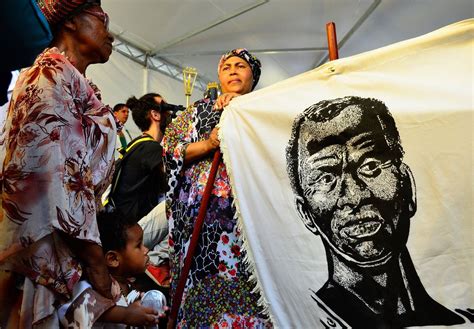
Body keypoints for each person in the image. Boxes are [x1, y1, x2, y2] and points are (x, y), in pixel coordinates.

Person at [0, 0, 157, 327]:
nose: (110, 34)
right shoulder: (48, 75)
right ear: (71, 22)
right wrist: (96, 265)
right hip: (41, 255)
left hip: (67, 249)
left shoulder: (80, 87)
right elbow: (59, 179)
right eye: (102, 20)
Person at [285, 96, 468, 327]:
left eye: (370, 165)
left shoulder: (462, 319)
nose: (354, 195)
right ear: (305, 213)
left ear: (407, 186)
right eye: (326, 178)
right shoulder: (298, 320)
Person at [162, 48, 271, 327]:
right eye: (227, 67)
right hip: (198, 221)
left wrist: (243, 111)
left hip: (245, 220)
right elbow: (170, 149)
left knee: (246, 285)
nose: (233, 70)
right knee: (198, 286)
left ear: (253, 76)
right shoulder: (197, 111)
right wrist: (209, 145)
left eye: (241, 66)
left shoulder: (265, 109)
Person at [59, 210, 167, 327]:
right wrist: (126, 315)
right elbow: (75, 311)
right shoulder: (91, 287)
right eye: (138, 245)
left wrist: (141, 308)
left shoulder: (126, 282)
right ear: (113, 259)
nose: (146, 250)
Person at [110, 93, 173, 270]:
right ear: (155, 115)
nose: (171, 114)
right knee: (181, 202)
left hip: (126, 227)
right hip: (132, 233)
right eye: (167, 109)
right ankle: (150, 263)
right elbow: (176, 176)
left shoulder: (137, 144)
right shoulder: (150, 147)